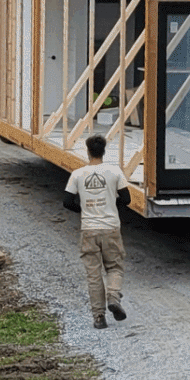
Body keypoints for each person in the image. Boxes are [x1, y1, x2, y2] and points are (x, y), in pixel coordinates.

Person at [64, 134, 131, 329]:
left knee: (93, 275)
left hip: (89, 230)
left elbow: (67, 202)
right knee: (115, 267)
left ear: (88, 151)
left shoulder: (78, 174)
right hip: (110, 228)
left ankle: (99, 317)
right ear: (103, 151)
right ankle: (113, 297)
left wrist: (84, 210)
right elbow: (126, 199)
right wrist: (112, 204)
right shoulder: (114, 171)